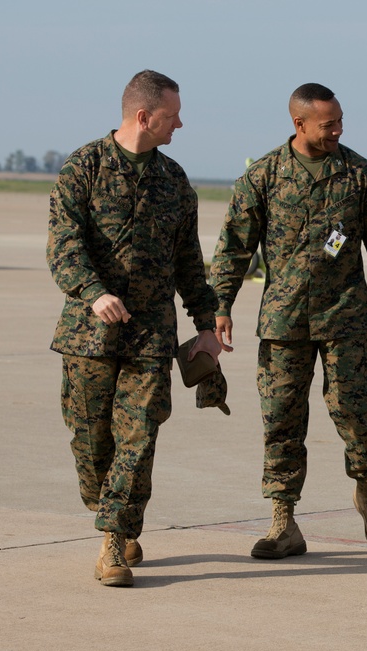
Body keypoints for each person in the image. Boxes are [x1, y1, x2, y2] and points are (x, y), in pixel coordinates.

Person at [209, 83, 367, 559]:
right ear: (299, 125)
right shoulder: (263, 176)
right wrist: (219, 306)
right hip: (283, 322)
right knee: (281, 418)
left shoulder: (359, 175)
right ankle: (284, 522)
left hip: (345, 318)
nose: (338, 130)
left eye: (341, 121)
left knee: (357, 413)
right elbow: (234, 246)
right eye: (329, 124)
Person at [47, 70, 221, 587]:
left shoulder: (174, 180)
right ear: (144, 116)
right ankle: (109, 511)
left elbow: (190, 262)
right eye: (173, 115)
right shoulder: (84, 167)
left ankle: (113, 542)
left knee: (138, 436)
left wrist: (207, 324)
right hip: (88, 334)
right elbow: (63, 245)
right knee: (90, 441)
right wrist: (92, 291)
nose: (181, 124)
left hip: (150, 335)